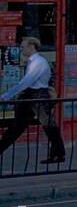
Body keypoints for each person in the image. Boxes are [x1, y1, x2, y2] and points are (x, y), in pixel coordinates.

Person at [0, 37, 67, 165]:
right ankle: (58, 153)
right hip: (31, 94)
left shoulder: (38, 63)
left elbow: (25, 82)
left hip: (38, 95)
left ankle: (58, 153)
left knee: (49, 126)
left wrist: (6, 95)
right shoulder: (32, 62)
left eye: (23, 47)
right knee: (17, 126)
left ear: (32, 47)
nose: (21, 49)